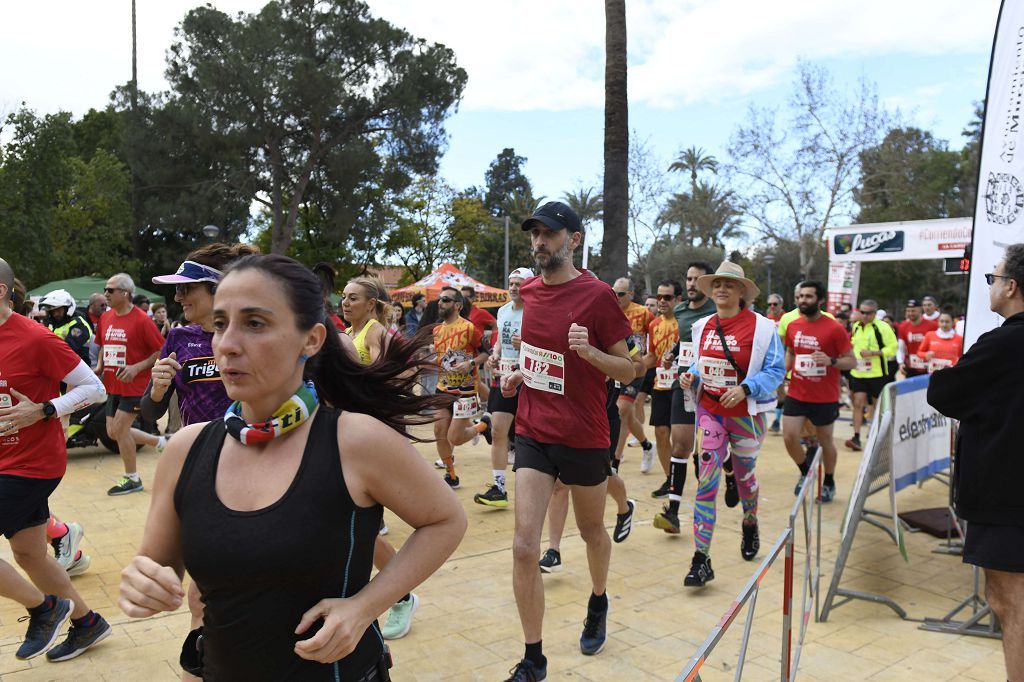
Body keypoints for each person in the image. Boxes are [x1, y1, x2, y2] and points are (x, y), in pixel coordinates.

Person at [119, 253, 466, 681]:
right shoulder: (186, 450)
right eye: (221, 324)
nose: (227, 344)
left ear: (311, 340)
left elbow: (445, 520)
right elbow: (158, 565)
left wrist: (365, 607)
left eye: (255, 323)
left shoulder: (355, 441)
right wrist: (143, 583)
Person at [500, 201, 634, 681]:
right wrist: (518, 374)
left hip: (584, 434)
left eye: (549, 233)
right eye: (534, 233)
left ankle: (598, 600)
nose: (539, 241)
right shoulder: (529, 293)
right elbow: (539, 357)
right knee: (523, 547)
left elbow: (628, 368)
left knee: (591, 530)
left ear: (574, 240)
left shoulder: (598, 296)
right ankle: (533, 659)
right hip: (534, 430)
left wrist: (590, 352)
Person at [143, 245, 257, 681]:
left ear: (217, 289)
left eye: (187, 289)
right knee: (203, 592)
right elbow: (151, 413)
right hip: (201, 467)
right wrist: (157, 391)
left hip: (258, 462)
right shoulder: (178, 338)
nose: (178, 298)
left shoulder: (253, 336)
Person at [0, 257, 113, 662]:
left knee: (28, 553)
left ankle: (44, 609)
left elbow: (94, 388)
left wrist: (44, 409)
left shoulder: (35, 338)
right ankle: (87, 623)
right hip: (5, 461)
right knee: (29, 552)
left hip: (32, 464)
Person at [928, 244, 1024, 682]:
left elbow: (944, 392)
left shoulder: (1003, 343)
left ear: (1011, 286)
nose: (991, 285)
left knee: (1009, 602)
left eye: (993, 277)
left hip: (1006, 495)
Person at [678, 261, 785, 587]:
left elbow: (776, 371)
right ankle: (701, 559)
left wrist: (745, 388)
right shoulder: (703, 326)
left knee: (744, 477)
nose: (721, 289)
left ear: (742, 291)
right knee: (706, 484)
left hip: (746, 417)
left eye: (729, 284)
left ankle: (749, 520)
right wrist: (690, 376)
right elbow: (701, 363)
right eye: (717, 284)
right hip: (710, 413)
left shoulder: (764, 328)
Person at [654, 262, 718, 534]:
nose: (691, 284)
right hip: (684, 385)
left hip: (713, 386)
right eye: (689, 279)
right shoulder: (680, 310)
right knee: (680, 445)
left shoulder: (717, 310)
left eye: (696, 279)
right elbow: (687, 341)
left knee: (712, 449)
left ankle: (728, 473)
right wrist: (673, 353)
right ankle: (673, 513)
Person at [781, 281, 856, 503]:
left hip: (824, 397)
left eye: (808, 296)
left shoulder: (834, 328)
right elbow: (791, 352)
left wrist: (831, 360)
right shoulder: (793, 325)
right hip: (797, 392)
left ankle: (829, 481)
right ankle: (806, 472)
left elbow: (851, 361)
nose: (802, 300)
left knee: (826, 442)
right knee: (789, 436)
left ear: (820, 300)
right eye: (800, 296)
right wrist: (782, 373)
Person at [96, 273, 167, 495]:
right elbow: (103, 345)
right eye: (105, 290)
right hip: (113, 385)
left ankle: (132, 478)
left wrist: (136, 368)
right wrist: (99, 367)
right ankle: (159, 442)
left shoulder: (142, 320)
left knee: (120, 429)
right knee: (112, 432)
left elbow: (160, 351)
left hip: (136, 386)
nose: (106, 294)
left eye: (110, 290)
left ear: (125, 293)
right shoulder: (105, 318)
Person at [476, 267, 532, 509]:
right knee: (498, 431)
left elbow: (549, 341)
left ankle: (537, 486)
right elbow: (500, 340)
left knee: (529, 435)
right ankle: (499, 488)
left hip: (529, 378)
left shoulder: (536, 310)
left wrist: (527, 343)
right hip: (504, 375)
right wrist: (494, 355)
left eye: (519, 283)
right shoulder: (503, 310)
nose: (513, 288)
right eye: (511, 283)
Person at [432, 286, 491, 489]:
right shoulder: (436, 330)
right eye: (439, 299)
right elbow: (441, 358)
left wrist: (471, 363)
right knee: (439, 432)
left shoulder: (469, 328)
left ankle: (483, 426)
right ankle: (451, 475)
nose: (440, 303)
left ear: (457, 305)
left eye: (445, 300)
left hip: (465, 391)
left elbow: (486, 352)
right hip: (443, 388)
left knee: (455, 438)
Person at [610, 278, 655, 473]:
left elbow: (655, 334)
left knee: (622, 410)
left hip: (637, 368)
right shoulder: (609, 311)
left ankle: (615, 462)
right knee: (625, 415)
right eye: (614, 293)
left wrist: (647, 360)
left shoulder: (644, 313)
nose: (616, 297)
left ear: (631, 294)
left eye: (620, 294)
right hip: (615, 367)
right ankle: (647, 445)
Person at [644, 280, 681, 499]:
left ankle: (685, 472)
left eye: (667, 297)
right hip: (660, 384)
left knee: (680, 436)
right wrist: (631, 366)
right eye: (659, 297)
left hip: (682, 385)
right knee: (660, 432)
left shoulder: (685, 323)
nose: (662, 301)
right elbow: (651, 356)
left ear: (678, 300)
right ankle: (670, 480)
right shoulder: (654, 324)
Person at [845, 299, 897, 451]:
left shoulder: (883, 327)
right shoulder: (856, 326)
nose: (864, 315)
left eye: (868, 313)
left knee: (877, 406)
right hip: (858, 372)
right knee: (857, 403)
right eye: (862, 312)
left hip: (877, 373)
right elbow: (853, 344)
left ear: (875, 313)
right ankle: (856, 437)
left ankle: (877, 437)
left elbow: (892, 348)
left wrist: (873, 353)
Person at [342, 276, 390, 366]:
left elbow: (382, 371)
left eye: (353, 298)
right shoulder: (346, 332)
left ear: (370, 304)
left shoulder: (375, 332)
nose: (345, 303)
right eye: (343, 297)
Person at [39, 289, 93, 365]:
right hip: (60, 366)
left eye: (59, 310)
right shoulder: (53, 325)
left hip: (77, 367)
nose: (56, 314)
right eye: (53, 311)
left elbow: (69, 347)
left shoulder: (78, 324)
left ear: (67, 309)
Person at [897, 299, 937, 378]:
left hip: (929, 366)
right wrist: (901, 363)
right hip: (911, 367)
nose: (910, 313)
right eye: (908, 311)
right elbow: (900, 348)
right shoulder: (903, 326)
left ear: (920, 310)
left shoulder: (933, 325)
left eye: (913, 311)